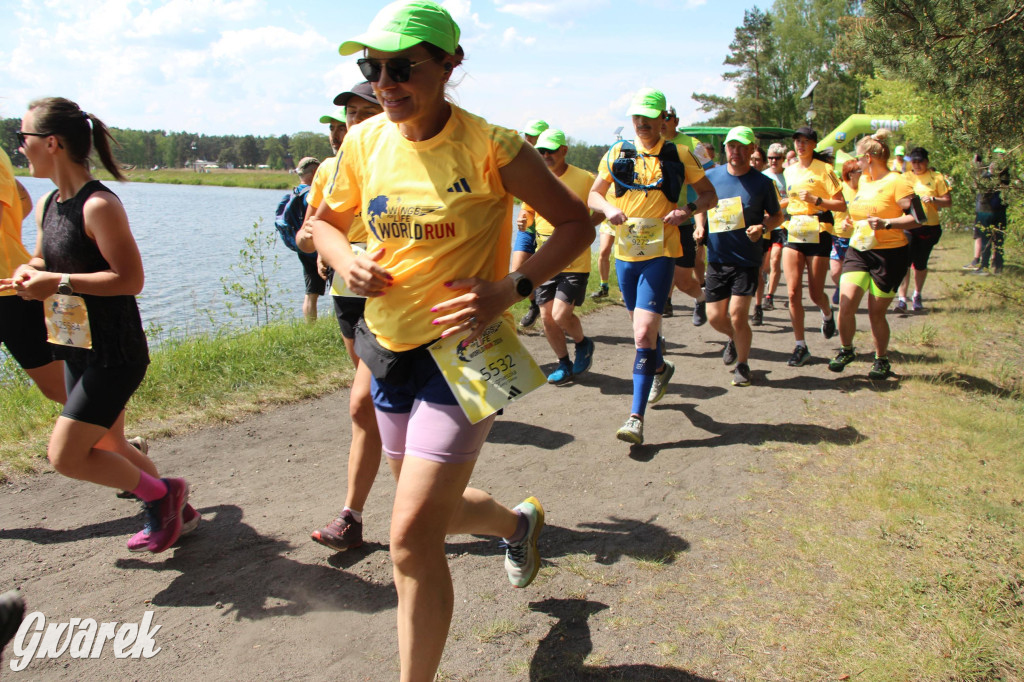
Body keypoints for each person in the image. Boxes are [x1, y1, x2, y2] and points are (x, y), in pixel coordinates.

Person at [310, 4, 593, 679]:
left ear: (449, 64)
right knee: (427, 506)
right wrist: (343, 256)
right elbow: (323, 224)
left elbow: (576, 226)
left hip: (469, 354)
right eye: (372, 68)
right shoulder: (364, 141)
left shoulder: (493, 146)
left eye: (402, 66)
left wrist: (511, 288)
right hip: (387, 348)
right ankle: (517, 526)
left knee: (409, 538)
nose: (385, 81)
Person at [1, 97, 194, 553]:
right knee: (107, 442)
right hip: (74, 345)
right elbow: (42, 258)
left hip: (115, 352)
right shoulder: (52, 201)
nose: (19, 148)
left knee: (65, 455)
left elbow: (130, 279)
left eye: (22, 138)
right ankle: (180, 513)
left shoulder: (98, 205)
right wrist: (31, 273)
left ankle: (163, 495)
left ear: (51, 143)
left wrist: (58, 281)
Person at [588, 87, 717, 445]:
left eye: (650, 116)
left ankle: (635, 418)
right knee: (642, 333)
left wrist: (687, 211)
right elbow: (593, 194)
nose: (642, 123)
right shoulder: (617, 152)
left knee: (644, 334)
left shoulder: (680, 153)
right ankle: (661, 367)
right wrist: (608, 209)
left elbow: (710, 195)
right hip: (626, 257)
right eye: (637, 117)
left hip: (661, 253)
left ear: (665, 119)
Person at [299, 82, 386, 553]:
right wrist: (324, 246)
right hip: (345, 292)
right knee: (370, 399)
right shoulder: (332, 169)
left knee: (362, 404)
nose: (351, 124)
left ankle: (351, 514)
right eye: (348, 115)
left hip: (394, 298)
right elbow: (308, 232)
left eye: (361, 113)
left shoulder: (406, 162)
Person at [695, 127, 783, 386]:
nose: (736, 152)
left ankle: (743, 365)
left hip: (746, 259)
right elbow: (701, 203)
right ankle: (735, 339)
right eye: (732, 146)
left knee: (737, 313)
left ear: (751, 149)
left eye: (742, 147)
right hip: (718, 258)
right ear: (726, 149)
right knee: (714, 317)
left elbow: (778, 216)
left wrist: (763, 227)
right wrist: (700, 225)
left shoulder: (763, 183)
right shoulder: (711, 176)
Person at [829, 129, 917, 379]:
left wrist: (888, 223)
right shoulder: (865, 181)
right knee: (846, 304)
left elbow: (917, 219)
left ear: (869, 157)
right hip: (860, 250)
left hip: (889, 255)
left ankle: (881, 360)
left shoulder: (898, 181)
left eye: (859, 158)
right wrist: (851, 224)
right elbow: (862, 214)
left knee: (875, 312)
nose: (856, 163)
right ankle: (847, 350)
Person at [520, 129, 602, 384]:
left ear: (564, 151)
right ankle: (564, 364)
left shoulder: (585, 178)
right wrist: (525, 220)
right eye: (540, 151)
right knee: (546, 317)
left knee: (560, 315)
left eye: (550, 151)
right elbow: (528, 212)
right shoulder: (536, 178)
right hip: (546, 258)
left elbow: (602, 208)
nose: (544, 156)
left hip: (574, 261)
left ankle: (583, 343)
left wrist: (584, 229)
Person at [1, 145, 66, 404]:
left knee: (58, 387)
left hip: (10, 289)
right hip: (12, 283)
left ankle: (116, 442)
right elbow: (21, 199)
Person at [781, 126, 845, 367]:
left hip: (818, 229)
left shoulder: (826, 170)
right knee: (792, 292)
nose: (801, 145)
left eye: (806, 141)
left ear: (814, 144)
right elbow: (792, 199)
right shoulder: (789, 171)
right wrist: (781, 203)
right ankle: (800, 345)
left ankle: (827, 314)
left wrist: (817, 200)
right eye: (797, 141)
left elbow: (841, 205)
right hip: (795, 229)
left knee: (815, 293)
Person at [661, 109, 712, 325]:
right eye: (659, 118)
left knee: (683, 280)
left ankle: (701, 299)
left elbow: (710, 176)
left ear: (676, 121)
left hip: (685, 219)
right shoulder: (648, 146)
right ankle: (655, 339)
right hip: (655, 224)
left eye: (667, 118)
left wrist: (700, 213)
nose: (662, 123)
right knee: (658, 281)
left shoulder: (693, 145)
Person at [896, 147, 950, 311]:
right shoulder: (904, 177)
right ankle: (902, 299)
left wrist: (933, 199)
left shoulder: (937, 177)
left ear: (927, 161)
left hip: (929, 227)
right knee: (904, 262)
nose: (917, 165)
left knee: (920, 263)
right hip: (909, 226)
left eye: (920, 161)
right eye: (914, 161)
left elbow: (947, 201)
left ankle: (917, 295)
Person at [513, 118, 549, 328]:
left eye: (532, 137)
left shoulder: (554, 166)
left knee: (547, 274)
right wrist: (522, 215)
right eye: (527, 136)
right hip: (528, 228)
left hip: (549, 230)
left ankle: (550, 314)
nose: (528, 141)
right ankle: (534, 305)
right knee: (517, 273)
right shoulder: (522, 163)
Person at [290, 156, 324, 322]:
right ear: (314, 172)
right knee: (336, 287)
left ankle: (310, 327)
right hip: (317, 247)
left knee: (310, 292)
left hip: (302, 247)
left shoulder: (296, 192)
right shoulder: (311, 194)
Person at [967, 150, 1008, 276]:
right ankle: (998, 266)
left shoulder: (986, 177)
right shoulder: (1005, 177)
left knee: (986, 240)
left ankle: (984, 267)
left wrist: (976, 164)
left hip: (986, 212)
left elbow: (975, 184)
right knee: (999, 240)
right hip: (1000, 212)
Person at [761, 142, 789, 313]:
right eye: (770, 158)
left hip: (783, 223)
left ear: (783, 159)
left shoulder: (789, 176)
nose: (773, 161)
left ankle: (769, 296)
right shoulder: (763, 176)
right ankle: (764, 281)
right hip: (765, 223)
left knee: (775, 259)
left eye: (777, 158)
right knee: (765, 263)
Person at [829, 159, 861, 306]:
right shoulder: (840, 188)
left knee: (851, 271)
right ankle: (839, 286)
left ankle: (847, 295)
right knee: (835, 271)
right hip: (837, 235)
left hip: (857, 237)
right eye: (859, 171)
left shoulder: (864, 190)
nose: (862, 174)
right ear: (850, 174)